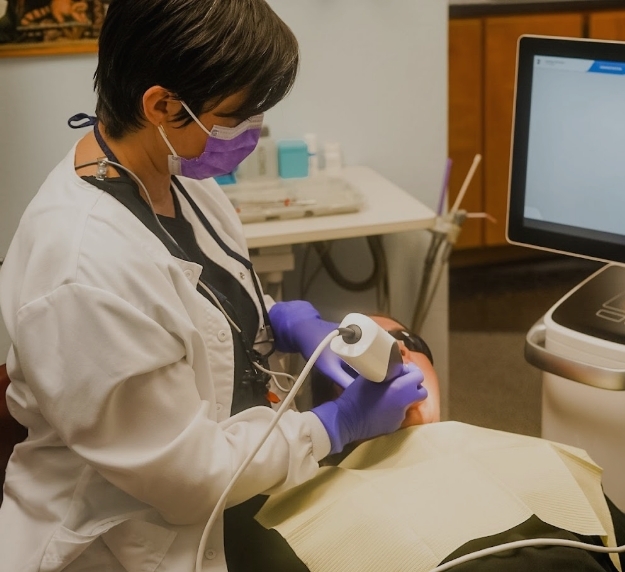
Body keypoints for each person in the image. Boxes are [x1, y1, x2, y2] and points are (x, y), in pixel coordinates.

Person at [0, 1, 429, 571]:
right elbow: (186, 475)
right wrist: (334, 426)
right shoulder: (83, 270)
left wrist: (278, 320)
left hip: (235, 480)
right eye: (235, 115)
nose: (249, 131)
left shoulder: (177, 178)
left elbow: (191, 303)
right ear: (160, 106)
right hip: (130, 539)